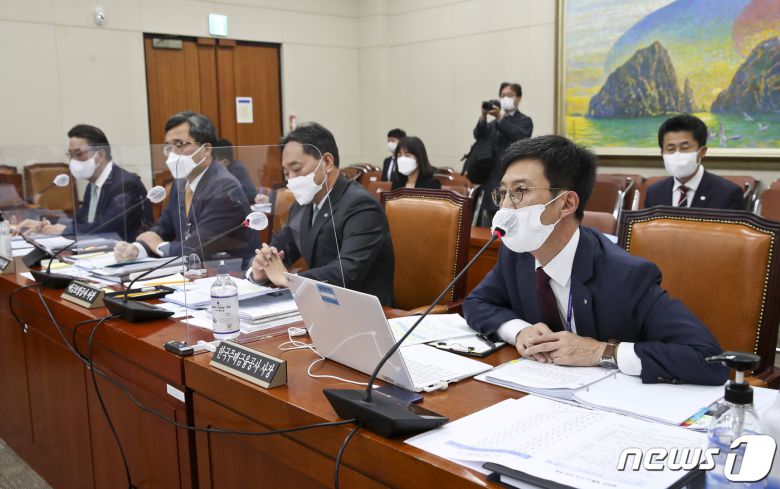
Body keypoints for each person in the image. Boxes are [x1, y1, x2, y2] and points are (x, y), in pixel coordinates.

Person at [463, 135, 727, 386]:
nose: (505, 207)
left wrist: (602, 352)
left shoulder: (625, 275)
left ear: (567, 204)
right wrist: (519, 331)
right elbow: (477, 302)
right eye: (503, 193)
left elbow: (709, 359)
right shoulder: (517, 253)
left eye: (520, 191)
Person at [248, 122, 395, 305]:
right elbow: (280, 249)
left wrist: (289, 280)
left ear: (327, 162)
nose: (291, 180)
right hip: (321, 304)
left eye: (296, 169)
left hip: (363, 310)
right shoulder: (302, 205)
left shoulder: (361, 205)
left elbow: (347, 271)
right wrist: (260, 268)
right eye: (286, 173)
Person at [113, 112, 255, 266]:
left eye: (180, 144)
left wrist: (159, 246)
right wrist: (137, 248)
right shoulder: (180, 183)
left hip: (229, 272)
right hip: (193, 271)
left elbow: (198, 247)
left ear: (206, 149)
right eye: (168, 147)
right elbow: (164, 228)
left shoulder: (224, 186)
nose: (172, 154)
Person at [17, 124, 150, 241]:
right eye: (70, 155)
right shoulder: (92, 186)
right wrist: (46, 224)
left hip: (125, 254)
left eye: (79, 154)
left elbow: (107, 228)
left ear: (100, 155)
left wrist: (65, 230)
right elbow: (80, 222)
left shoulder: (125, 184)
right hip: (97, 251)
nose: (73, 161)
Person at [645, 115, 744, 210]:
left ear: (702, 151)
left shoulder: (728, 193)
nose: (677, 154)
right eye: (670, 149)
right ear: (662, 153)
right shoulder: (654, 192)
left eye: (685, 148)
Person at [470, 82, 533, 226]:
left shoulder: (524, 121)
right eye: (502, 95)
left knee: (510, 228)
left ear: (518, 98)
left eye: (509, 95)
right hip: (491, 182)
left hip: (512, 181)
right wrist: (483, 116)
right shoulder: (493, 124)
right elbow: (478, 134)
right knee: (488, 227)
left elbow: (518, 136)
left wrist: (499, 118)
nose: (505, 98)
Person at [213, 138, 258, 204]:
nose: (213, 165)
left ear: (225, 162)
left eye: (215, 161)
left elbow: (251, 195)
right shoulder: (225, 169)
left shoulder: (237, 169)